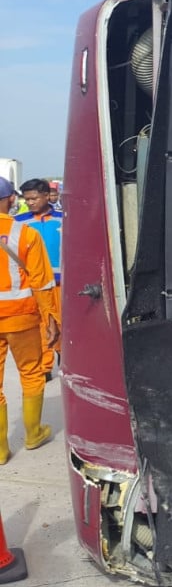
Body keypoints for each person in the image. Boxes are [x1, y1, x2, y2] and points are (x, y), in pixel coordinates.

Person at [0, 177, 61, 464]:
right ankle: (34, 434)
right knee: (32, 373)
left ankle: (0, 450)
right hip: (21, 317)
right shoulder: (24, 233)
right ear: (13, 199)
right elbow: (41, 281)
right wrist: (49, 319)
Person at [16, 179, 63, 380]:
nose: (31, 202)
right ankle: (45, 368)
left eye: (34, 198)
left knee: (60, 323)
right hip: (33, 283)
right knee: (41, 326)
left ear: (47, 196)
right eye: (27, 199)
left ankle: (65, 357)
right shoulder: (20, 222)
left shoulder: (64, 218)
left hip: (60, 282)